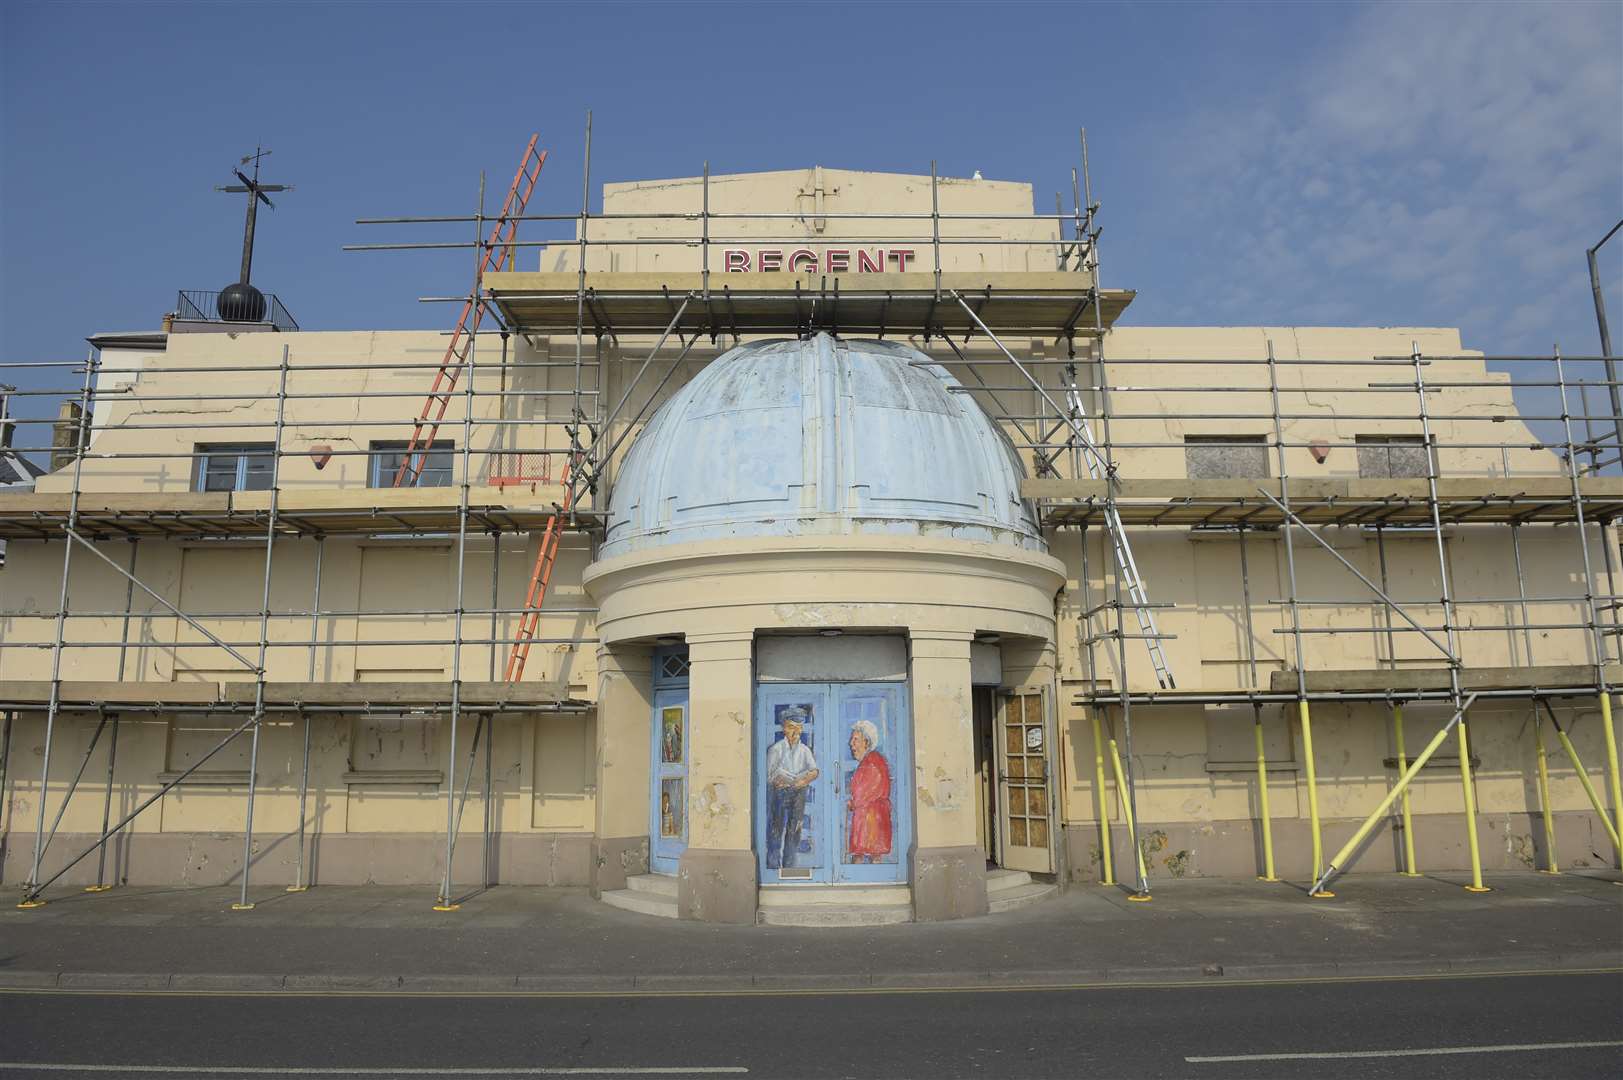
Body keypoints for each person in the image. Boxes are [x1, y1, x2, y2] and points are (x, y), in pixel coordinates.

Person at [765, 711, 818, 869]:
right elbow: (770, 775)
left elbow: (814, 771)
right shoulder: (776, 749)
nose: (795, 732)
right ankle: (773, 867)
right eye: (791, 727)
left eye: (798, 728)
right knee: (776, 831)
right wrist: (779, 780)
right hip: (779, 794)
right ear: (784, 729)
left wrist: (803, 780)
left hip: (798, 794)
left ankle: (790, 868)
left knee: (794, 832)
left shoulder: (805, 751)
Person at [845, 719, 892, 863]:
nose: (851, 743)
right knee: (867, 856)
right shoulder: (868, 762)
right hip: (866, 819)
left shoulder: (873, 762)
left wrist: (853, 803)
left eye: (855, 739)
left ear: (866, 742)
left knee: (868, 857)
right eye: (852, 739)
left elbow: (865, 791)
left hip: (871, 821)